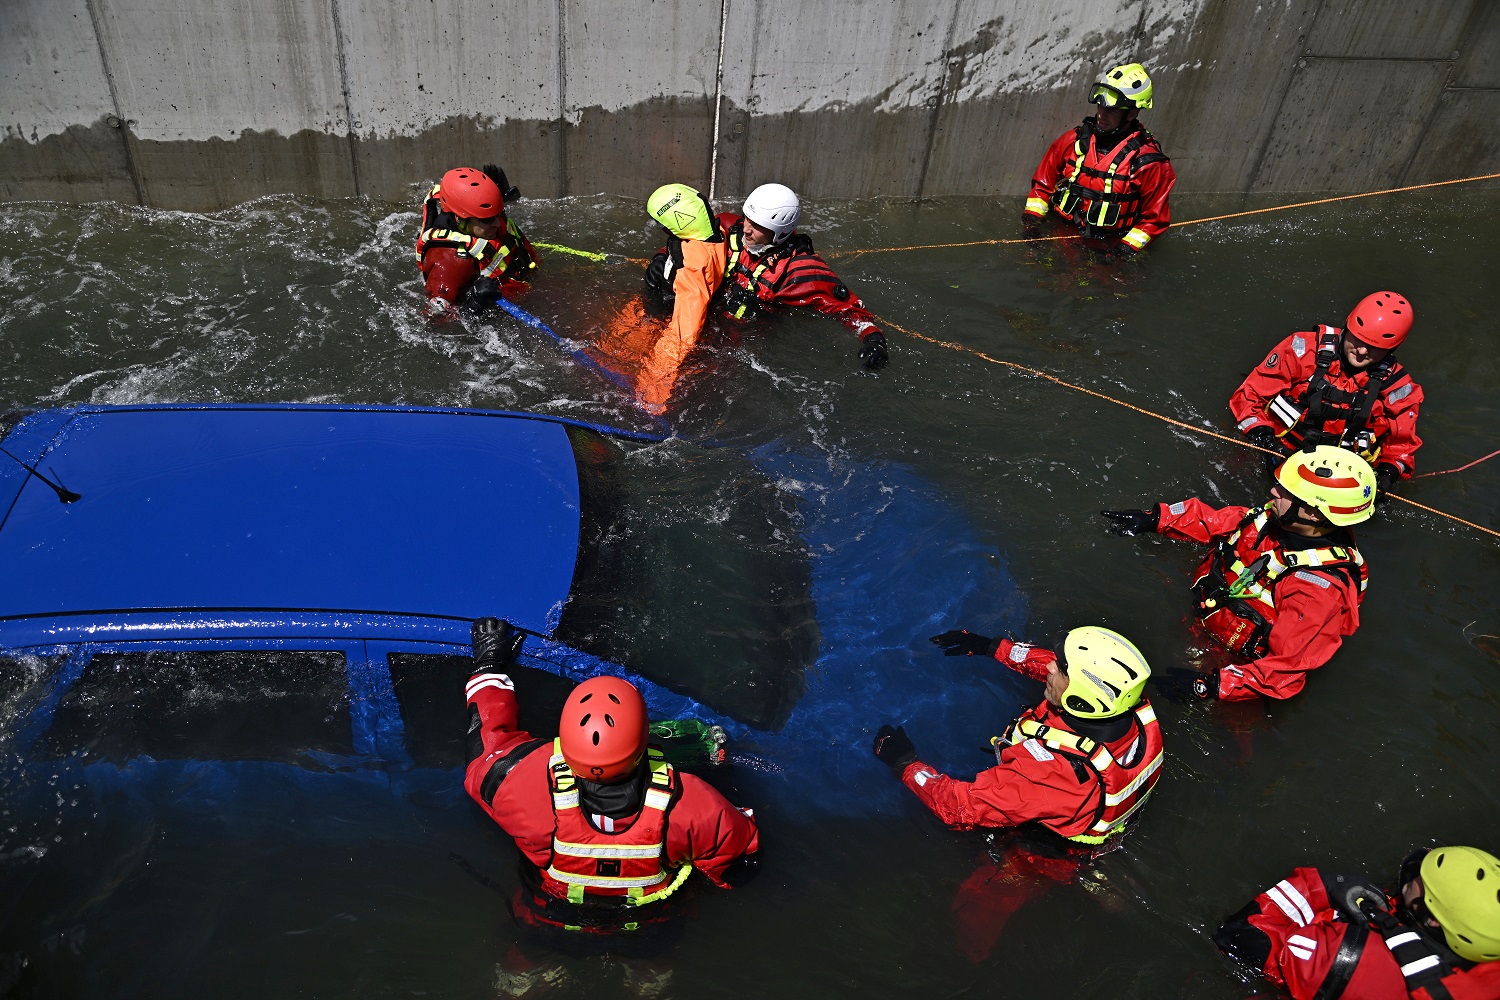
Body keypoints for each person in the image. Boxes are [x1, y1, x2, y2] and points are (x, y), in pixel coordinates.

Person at [462, 618, 760, 956]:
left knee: (523, 963)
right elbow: (739, 871)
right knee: (653, 971)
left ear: (565, 743)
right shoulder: (696, 807)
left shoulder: (516, 782)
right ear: (643, 738)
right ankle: (647, 984)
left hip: (549, 921)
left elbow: (483, 740)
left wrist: (488, 665)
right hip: (650, 930)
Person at [873, 627, 1163, 959]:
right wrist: (992, 647)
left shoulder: (1051, 774)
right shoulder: (1130, 709)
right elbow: (1053, 668)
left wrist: (904, 763)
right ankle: (1103, 884)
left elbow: (956, 807)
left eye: (1062, 668)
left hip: (1043, 853)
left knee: (975, 905)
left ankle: (964, 962)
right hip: (1095, 820)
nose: (1052, 668)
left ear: (1084, 696)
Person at [1101, 445, 1375, 702]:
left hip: (1237, 666)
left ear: (1314, 514)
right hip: (1205, 619)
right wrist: (1156, 520)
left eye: (1286, 491)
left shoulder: (1317, 591)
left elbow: (1285, 670)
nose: (1273, 492)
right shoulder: (1277, 520)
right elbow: (1221, 522)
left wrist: (1209, 687)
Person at [1215, 845, 1500, 999]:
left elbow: (1240, 939)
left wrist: (1324, 886)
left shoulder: (1344, 957)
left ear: (1434, 921)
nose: (1413, 876)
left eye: (1420, 881)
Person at [1230, 291, 1424, 493]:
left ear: (1392, 349)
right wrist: (1266, 443)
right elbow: (1248, 398)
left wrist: (1386, 477)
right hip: (1275, 449)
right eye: (1358, 340)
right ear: (1348, 327)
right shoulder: (1302, 349)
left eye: (1375, 347)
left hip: (1340, 476)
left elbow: (1401, 449)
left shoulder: (1399, 389)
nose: (1362, 351)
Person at [713, 183, 890, 369]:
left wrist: (874, 339)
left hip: (744, 339)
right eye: (747, 218)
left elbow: (846, 308)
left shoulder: (799, 271)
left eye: (757, 226)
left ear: (779, 232)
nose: (747, 229)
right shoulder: (726, 229)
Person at [1023, 63, 1176, 254]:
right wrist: (1032, 225)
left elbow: (1154, 220)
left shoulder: (1149, 163)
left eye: (1111, 110)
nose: (1101, 115)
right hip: (1061, 238)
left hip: (1110, 249)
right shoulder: (1073, 141)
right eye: (1100, 106)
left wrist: (1121, 252)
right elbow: (1042, 187)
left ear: (1132, 113)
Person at [415, 165, 538, 320]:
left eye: (497, 214)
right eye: (487, 219)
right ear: (459, 218)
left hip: (528, 279)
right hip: (506, 316)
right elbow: (434, 321)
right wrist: (473, 303)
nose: (498, 224)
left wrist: (498, 199)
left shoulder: (477, 222)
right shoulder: (450, 262)